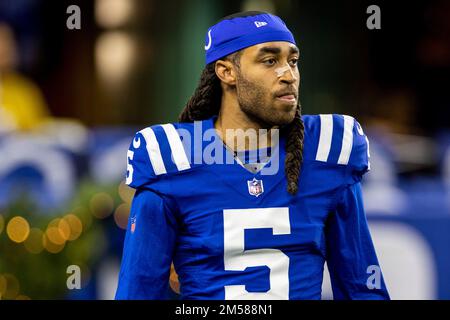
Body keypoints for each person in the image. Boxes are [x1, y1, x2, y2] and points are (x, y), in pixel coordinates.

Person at [115, 11, 390, 300]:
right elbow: (139, 290)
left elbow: (362, 287)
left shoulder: (326, 153)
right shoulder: (173, 159)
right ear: (226, 72)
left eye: (292, 61)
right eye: (270, 60)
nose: (288, 74)